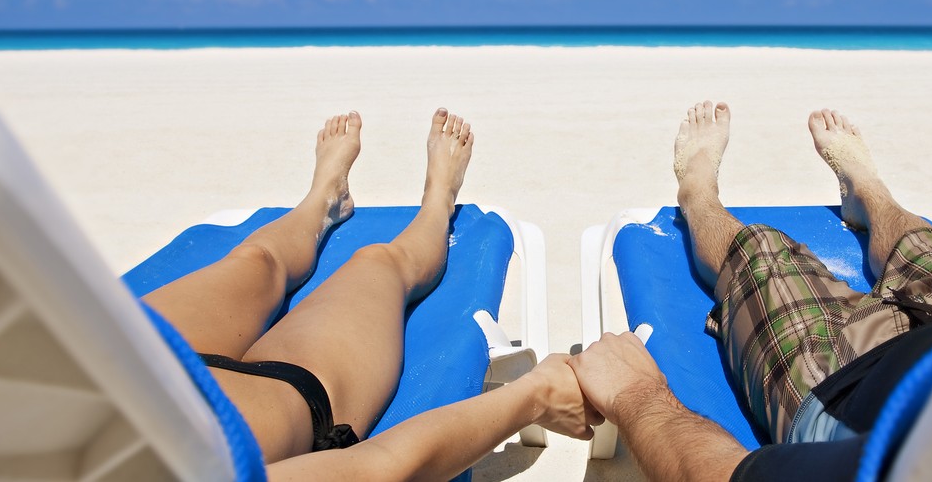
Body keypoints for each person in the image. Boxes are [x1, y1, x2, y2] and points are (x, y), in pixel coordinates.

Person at [144, 108, 598, 480]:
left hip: (139, 363)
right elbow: (384, 466)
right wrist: (535, 395)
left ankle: (324, 199)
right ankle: (439, 201)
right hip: (282, 396)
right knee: (379, 264)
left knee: (255, 261)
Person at [568, 102, 932, 480]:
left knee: (758, 253)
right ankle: (868, 191)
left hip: (841, 391)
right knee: (923, 245)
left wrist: (637, 397)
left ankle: (696, 190)